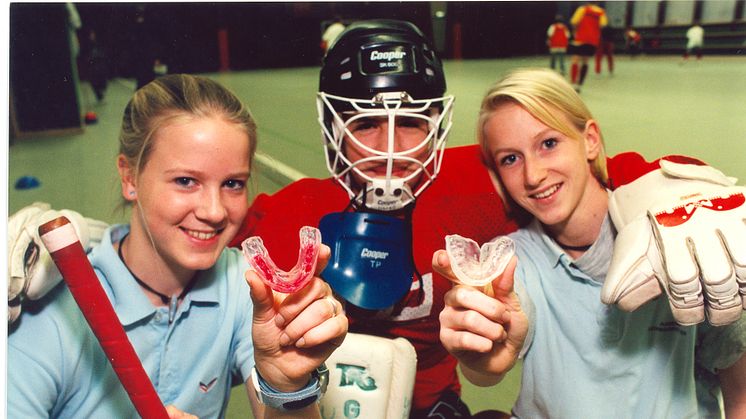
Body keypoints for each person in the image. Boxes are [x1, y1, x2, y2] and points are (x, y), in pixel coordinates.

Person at [7, 74, 347, 418]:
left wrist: (286, 386)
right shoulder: (56, 309)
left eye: (232, 183)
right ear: (129, 178)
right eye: (186, 181)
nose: (214, 211)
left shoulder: (243, 287)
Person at [434, 68, 746, 417]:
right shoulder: (514, 259)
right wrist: (485, 355)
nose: (533, 175)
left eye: (548, 144)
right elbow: (494, 350)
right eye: (510, 158)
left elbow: (738, 381)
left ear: (591, 140)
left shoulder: (674, 237)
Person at [568, 2, 607, 92]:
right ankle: (579, 84)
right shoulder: (601, 12)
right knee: (585, 62)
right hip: (592, 40)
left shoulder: (582, 9)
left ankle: (573, 83)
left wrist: (575, 31)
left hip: (580, 38)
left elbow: (574, 21)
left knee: (575, 60)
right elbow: (603, 25)